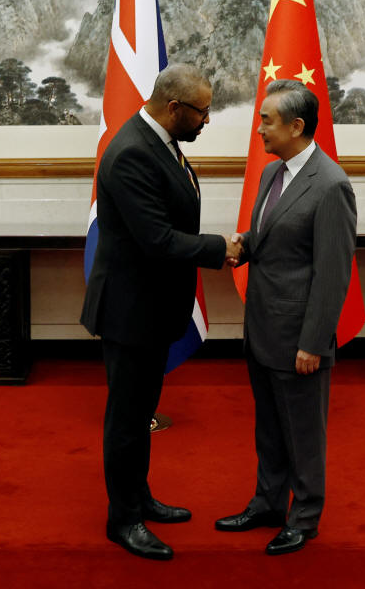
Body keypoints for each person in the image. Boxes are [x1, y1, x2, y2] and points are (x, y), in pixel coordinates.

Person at [81, 63, 242, 561]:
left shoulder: (161, 141)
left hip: (151, 307)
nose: (207, 121)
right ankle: (123, 520)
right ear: (174, 108)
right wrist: (219, 249)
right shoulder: (132, 152)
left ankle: (140, 497)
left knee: (141, 413)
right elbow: (156, 239)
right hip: (130, 311)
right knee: (127, 420)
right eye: (202, 112)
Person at [217, 79, 357, 556]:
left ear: (296, 127)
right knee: (270, 428)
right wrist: (239, 245)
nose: (259, 130)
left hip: (299, 337)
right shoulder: (271, 173)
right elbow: (270, 238)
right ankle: (268, 504)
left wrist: (313, 342)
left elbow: (333, 273)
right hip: (262, 328)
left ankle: (304, 517)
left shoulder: (331, 185)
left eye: (266, 121)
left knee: (303, 433)